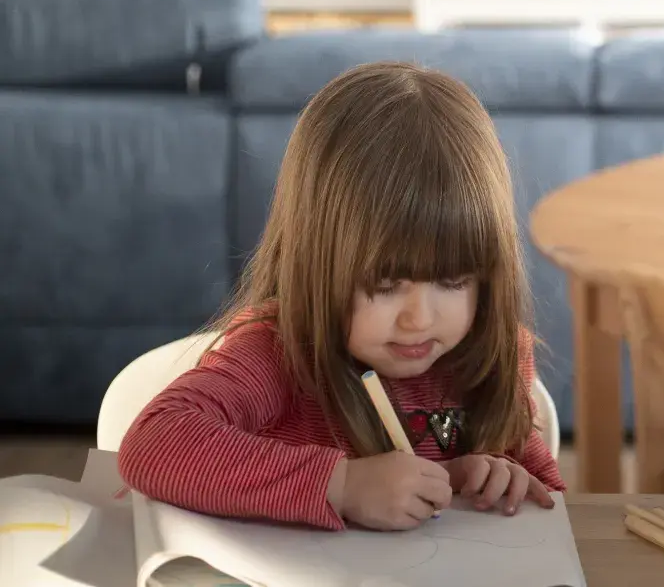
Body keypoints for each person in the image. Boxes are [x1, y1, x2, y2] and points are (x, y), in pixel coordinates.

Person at [119, 62, 566, 531]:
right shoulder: (277, 351)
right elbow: (154, 443)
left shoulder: (493, 355)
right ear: (316, 260)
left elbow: (553, 516)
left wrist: (480, 481)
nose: (419, 319)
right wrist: (341, 485)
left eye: (453, 282)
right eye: (384, 285)